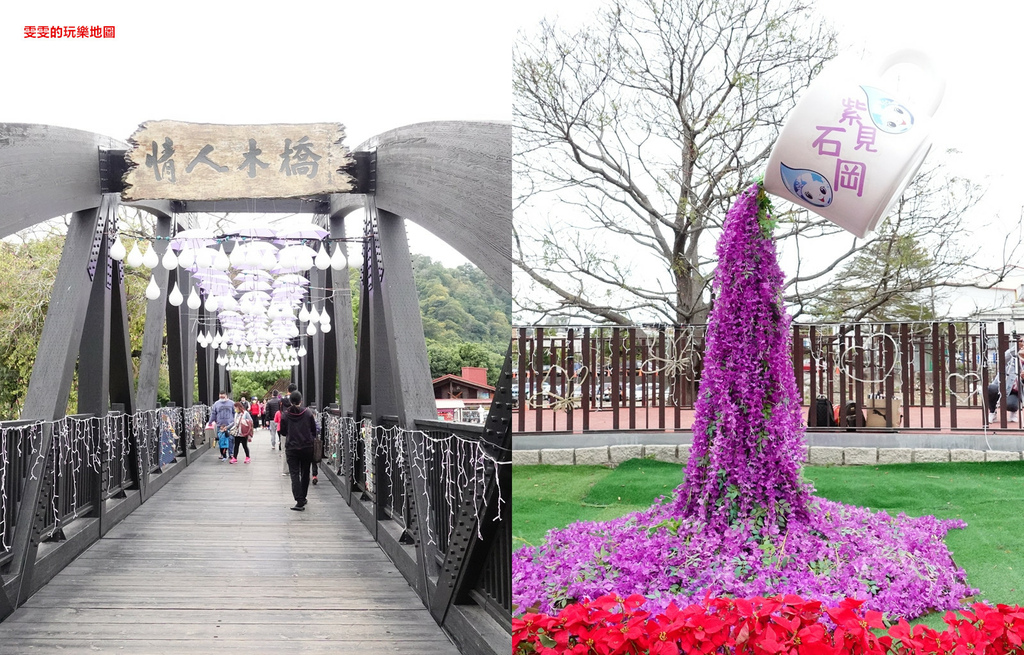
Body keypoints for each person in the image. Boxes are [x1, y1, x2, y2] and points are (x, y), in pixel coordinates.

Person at [281, 390, 318, 511]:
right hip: (307, 447)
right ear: (301, 400)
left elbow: (282, 431)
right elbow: (314, 429)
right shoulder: (307, 413)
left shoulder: (286, 414)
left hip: (292, 448)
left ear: (290, 401)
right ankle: (303, 496)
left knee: (294, 474)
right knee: (305, 472)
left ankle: (299, 499)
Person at [987, 337, 1024, 424]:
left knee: (1011, 405)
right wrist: (1016, 347)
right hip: (1002, 387)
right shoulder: (1013, 356)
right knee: (991, 388)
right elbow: (1002, 358)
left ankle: (1013, 411)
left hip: (1016, 392)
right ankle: (992, 412)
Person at [211, 391, 235, 461]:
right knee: (221, 440)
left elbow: (234, 412)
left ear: (226, 395)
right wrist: (210, 422)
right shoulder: (216, 403)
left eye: (223, 396)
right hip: (219, 425)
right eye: (220, 396)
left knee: (230, 439)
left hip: (229, 425)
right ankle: (223, 454)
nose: (222, 397)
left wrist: (233, 421)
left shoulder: (231, 403)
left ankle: (231, 453)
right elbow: (213, 413)